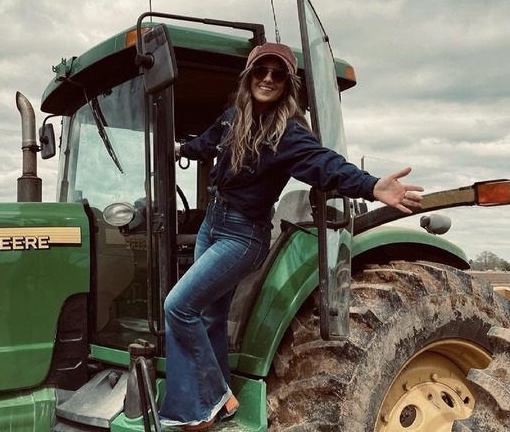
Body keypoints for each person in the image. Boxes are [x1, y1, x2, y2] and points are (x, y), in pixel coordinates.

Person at [158, 42, 424, 430]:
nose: (268, 79)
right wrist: (180, 148)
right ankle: (219, 405)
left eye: (278, 74)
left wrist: (370, 186)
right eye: (261, 71)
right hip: (210, 226)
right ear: (249, 77)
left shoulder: (288, 133)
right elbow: (206, 143)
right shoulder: (233, 118)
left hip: (242, 236)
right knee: (210, 314)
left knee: (178, 306)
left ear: (287, 84)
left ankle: (207, 401)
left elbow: (325, 165)